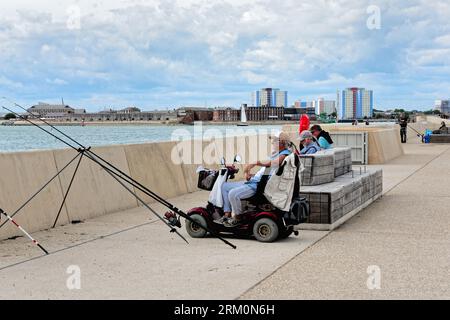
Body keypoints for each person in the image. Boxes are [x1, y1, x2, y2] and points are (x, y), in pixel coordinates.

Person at [218, 132, 292, 227]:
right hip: (255, 181)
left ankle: (238, 218)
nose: (272, 143)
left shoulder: (285, 154)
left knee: (233, 193)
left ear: (282, 142)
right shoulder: (275, 154)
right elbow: (266, 170)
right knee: (224, 186)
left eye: (275, 141)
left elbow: (273, 163)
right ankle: (227, 214)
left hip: (258, 185)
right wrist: (250, 173)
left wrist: (255, 163)